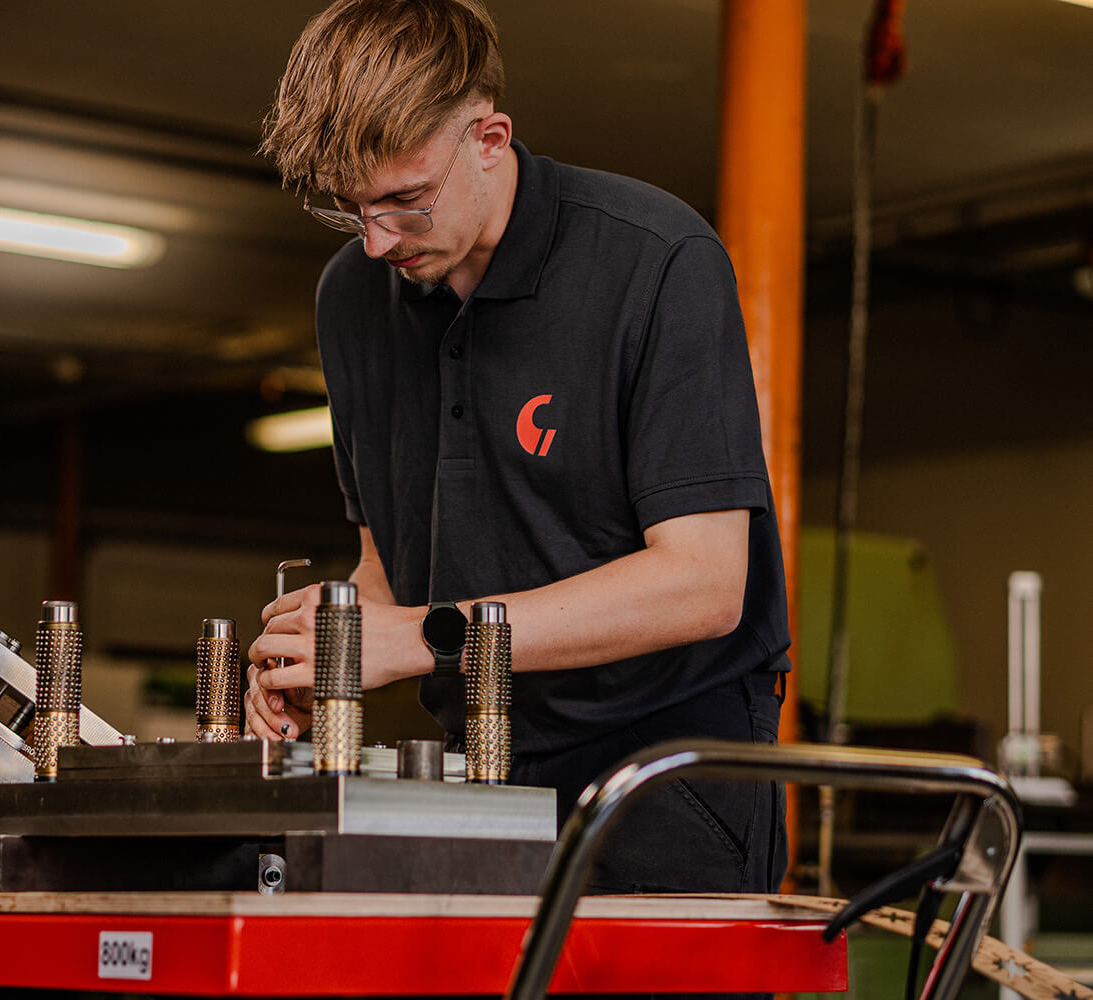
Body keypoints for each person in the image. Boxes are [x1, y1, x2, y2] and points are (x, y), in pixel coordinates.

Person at [245, 0, 790, 910]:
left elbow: (703, 582)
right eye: (348, 211)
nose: (378, 242)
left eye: (404, 203)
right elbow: (390, 564)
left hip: (661, 782)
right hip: (471, 775)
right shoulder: (352, 297)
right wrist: (331, 650)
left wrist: (419, 639)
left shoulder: (657, 261)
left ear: (490, 139)